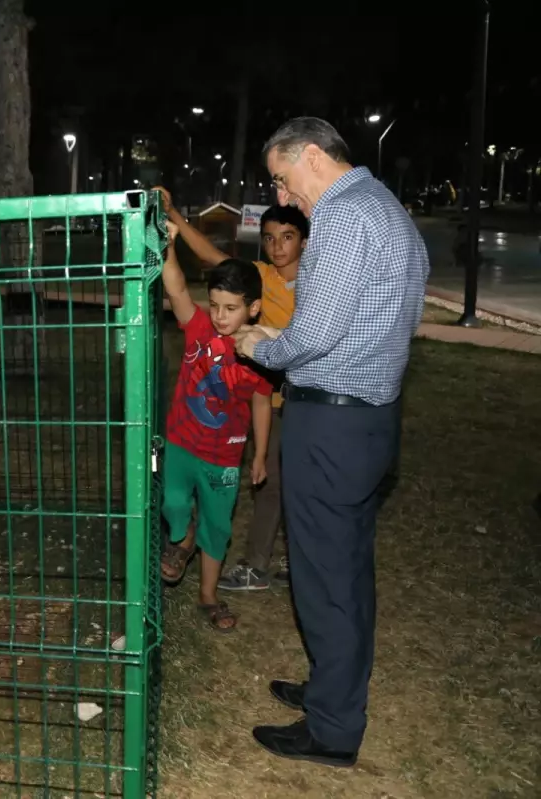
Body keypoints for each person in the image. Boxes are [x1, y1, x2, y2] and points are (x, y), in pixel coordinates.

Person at [233, 117, 428, 766]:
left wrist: (266, 346)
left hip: (332, 423)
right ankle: (334, 687)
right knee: (348, 569)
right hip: (371, 418)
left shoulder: (344, 217)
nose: (284, 199)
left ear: (313, 156)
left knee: (324, 578)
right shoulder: (390, 209)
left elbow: (314, 334)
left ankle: (333, 727)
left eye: (283, 180)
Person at [156, 188, 308, 590]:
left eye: (288, 236)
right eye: (270, 237)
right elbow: (205, 266)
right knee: (268, 480)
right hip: (252, 402)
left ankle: (292, 559)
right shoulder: (253, 279)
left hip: (296, 397)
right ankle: (244, 559)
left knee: (290, 480)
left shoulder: (319, 286)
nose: (277, 246)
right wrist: (171, 223)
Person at [159, 220, 272, 632]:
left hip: (225, 455)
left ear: (253, 308)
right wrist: (169, 247)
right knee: (173, 504)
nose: (220, 317)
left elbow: (261, 401)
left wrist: (258, 454)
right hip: (182, 443)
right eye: (216, 305)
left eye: (231, 308)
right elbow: (175, 289)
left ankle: (208, 594)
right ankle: (182, 536)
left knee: (218, 526)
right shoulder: (200, 326)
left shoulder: (260, 349)